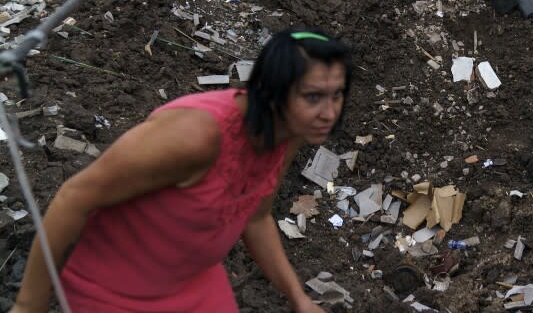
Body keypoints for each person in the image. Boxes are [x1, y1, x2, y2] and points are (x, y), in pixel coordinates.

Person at [11, 29, 352, 313]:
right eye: (313, 97)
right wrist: (29, 306)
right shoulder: (194, 138)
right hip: (116, 293)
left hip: (195, 282)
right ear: (273, 92)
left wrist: (299, 298)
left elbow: (256, 216)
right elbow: (74, 198)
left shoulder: (289, 131)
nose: (329, 112)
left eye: (336, 95)